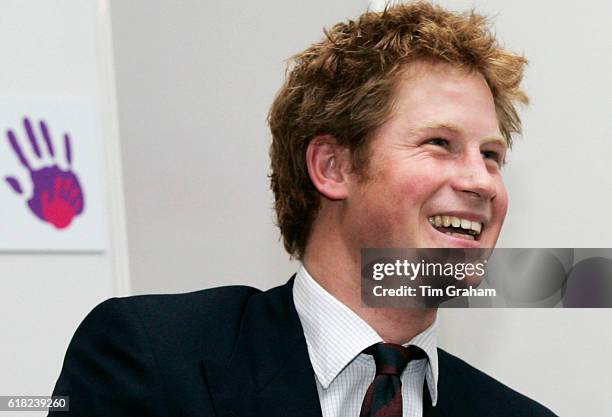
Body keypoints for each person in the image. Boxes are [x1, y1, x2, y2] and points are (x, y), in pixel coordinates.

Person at [49, 2, 558, 416]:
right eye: (439, 143)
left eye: (491, 156)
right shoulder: (152, 358)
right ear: (333, 167)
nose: (480, 181)